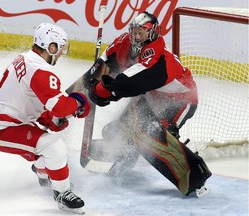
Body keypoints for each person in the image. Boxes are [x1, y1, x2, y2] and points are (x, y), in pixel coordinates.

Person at [85, 11, 211, 196]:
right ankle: (123, 157)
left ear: (152, 34)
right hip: (151, 97)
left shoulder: (158, 57)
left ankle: (195, 176)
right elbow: (107, 60)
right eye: (134, 32)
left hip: (181, 101)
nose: (136, 36)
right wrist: (93, 75)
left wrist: (106, 91)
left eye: (142, 33)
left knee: (151, 134)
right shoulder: (124, 42)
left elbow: (133, 83)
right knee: (118, 132)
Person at [0, 22, 90, 214]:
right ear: (51, 47)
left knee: (46, 151)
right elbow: (61, 108)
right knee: (54, 147)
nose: (61, 53)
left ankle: (43, 170)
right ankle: (62, 194)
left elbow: (29, 96)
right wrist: (78, 103)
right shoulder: (40, 71)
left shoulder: (27, 59)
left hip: (8, 123)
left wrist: (46, 116)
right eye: (60, 48)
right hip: (2, 129)